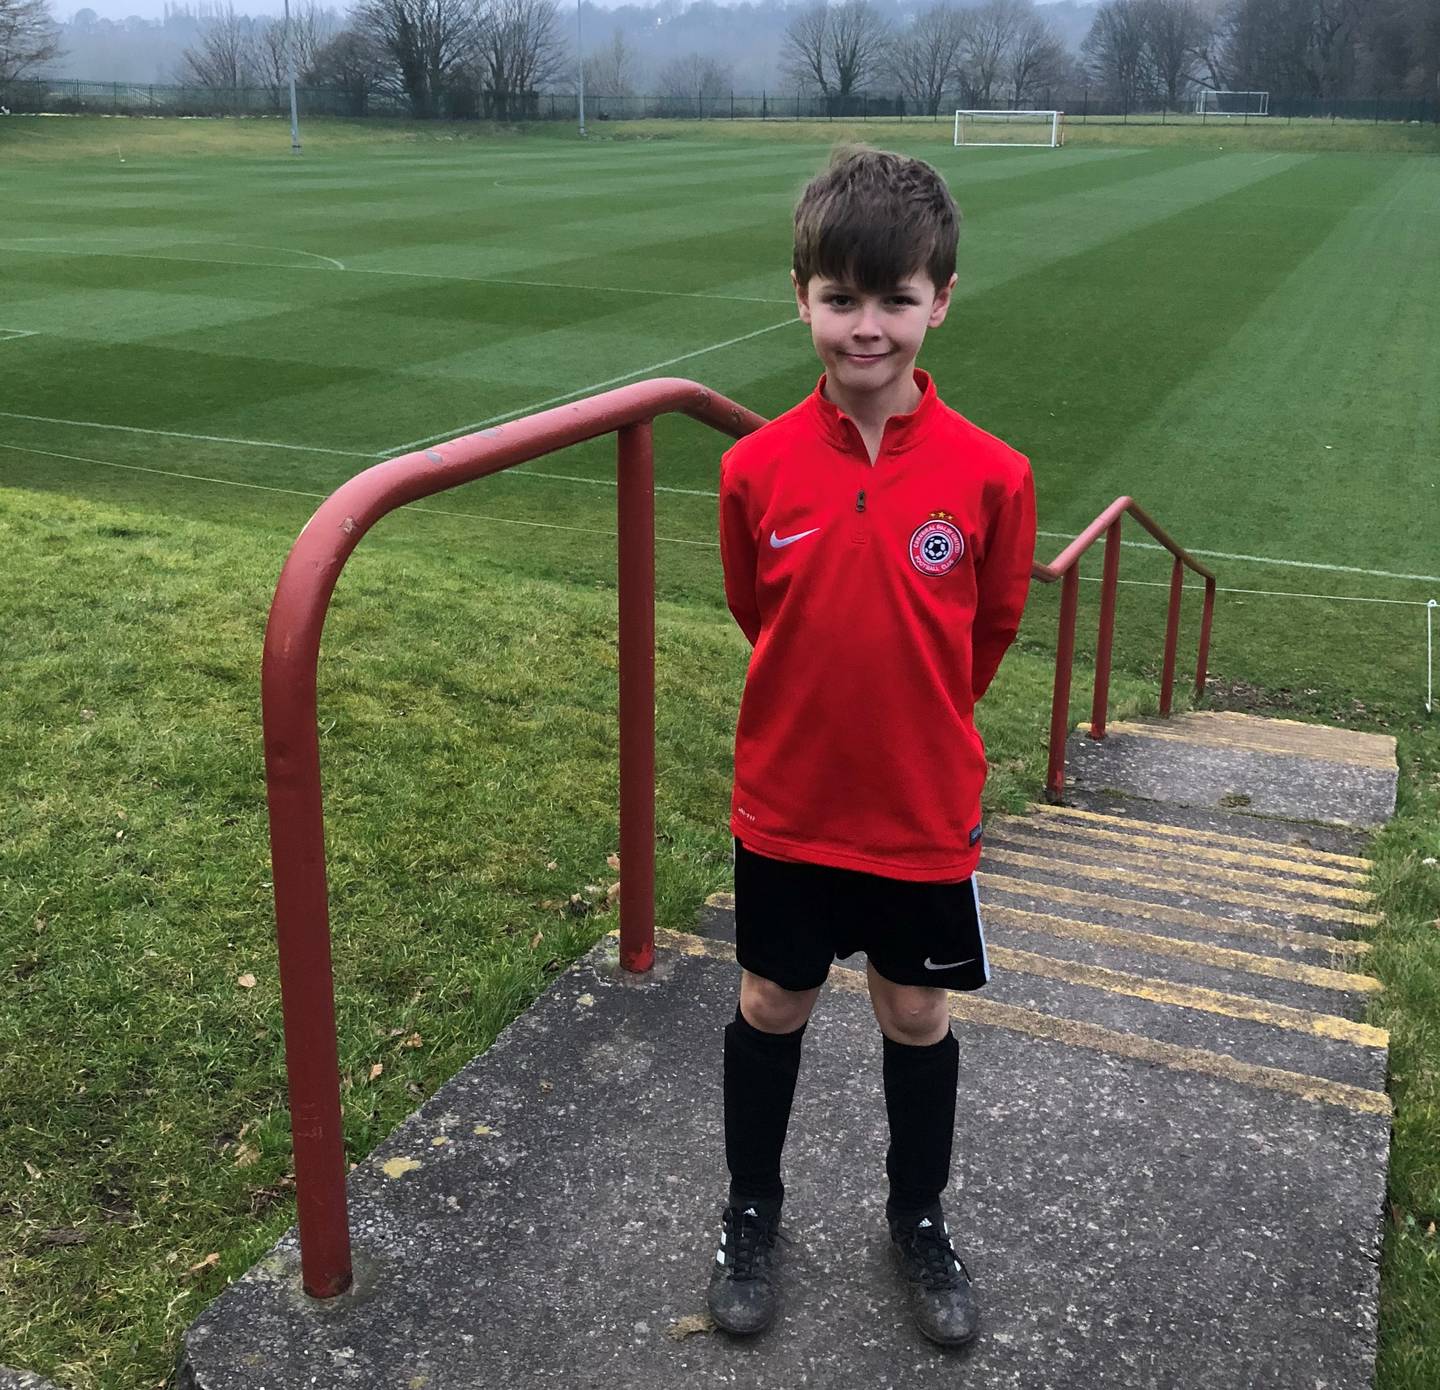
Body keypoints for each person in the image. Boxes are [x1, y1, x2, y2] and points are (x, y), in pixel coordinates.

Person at [706, 146, 1037, 1347]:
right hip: (789, 801)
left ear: (939, 299)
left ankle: (918, 1215)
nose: (866, 328)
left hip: (917, 808)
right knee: (771, 999)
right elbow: (762, 613)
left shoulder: (994, 477)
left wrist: (912, 722)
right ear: (801, 296)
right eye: (840, 299)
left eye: (894, 299)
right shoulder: (753, 468)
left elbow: (984, 633)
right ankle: (750, 1208)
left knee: (914, 1014)